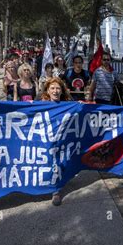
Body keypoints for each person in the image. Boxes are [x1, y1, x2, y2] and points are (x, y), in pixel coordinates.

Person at [40, 77, 72, 206]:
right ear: (47, 91)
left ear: (62, 91)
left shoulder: (68, 104)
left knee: (57, 163)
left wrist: (81, 106)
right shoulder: (40, 104)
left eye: (58, 88)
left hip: (62, 140)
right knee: (48, 163)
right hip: (46, 140)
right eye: (52, 88)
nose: (55, 91)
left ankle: (56, 191)